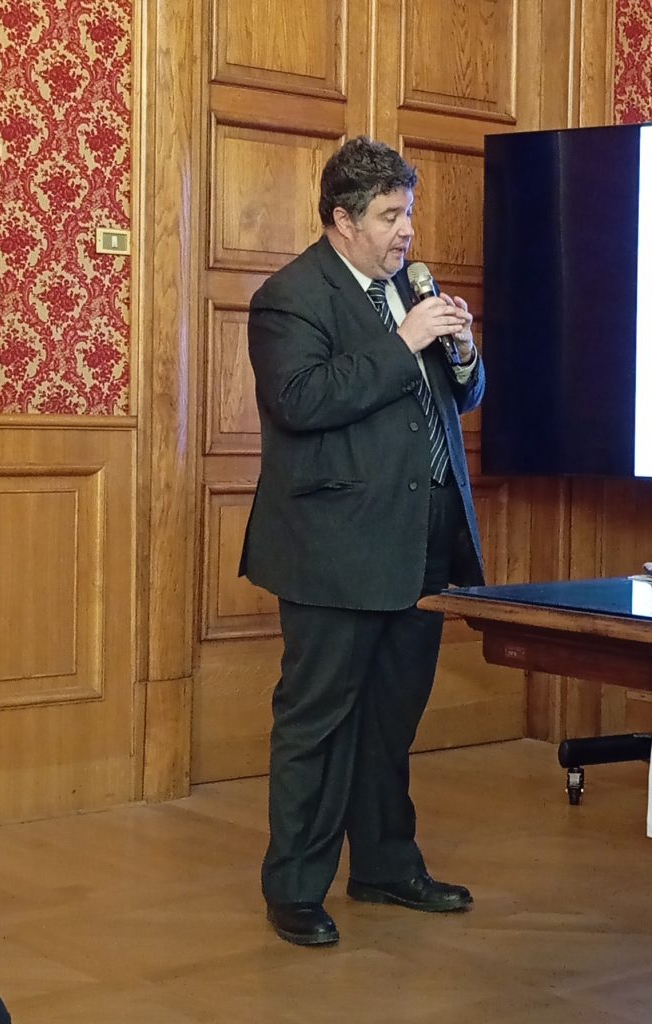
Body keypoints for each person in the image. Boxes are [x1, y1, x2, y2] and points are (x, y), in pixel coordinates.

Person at [239, 136, 486, 946]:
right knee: (317, 723)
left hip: (421, 539)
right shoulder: (290, 296)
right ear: (342, 221)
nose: (406, 230)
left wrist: (463, 354)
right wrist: (405, 339)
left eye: (408, 212)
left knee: (390, 722)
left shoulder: (410, 291)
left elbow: (458, 397)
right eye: (388, 216)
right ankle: (294, 889)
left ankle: (384, 866)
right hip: (335, 548)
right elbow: (302, 400)